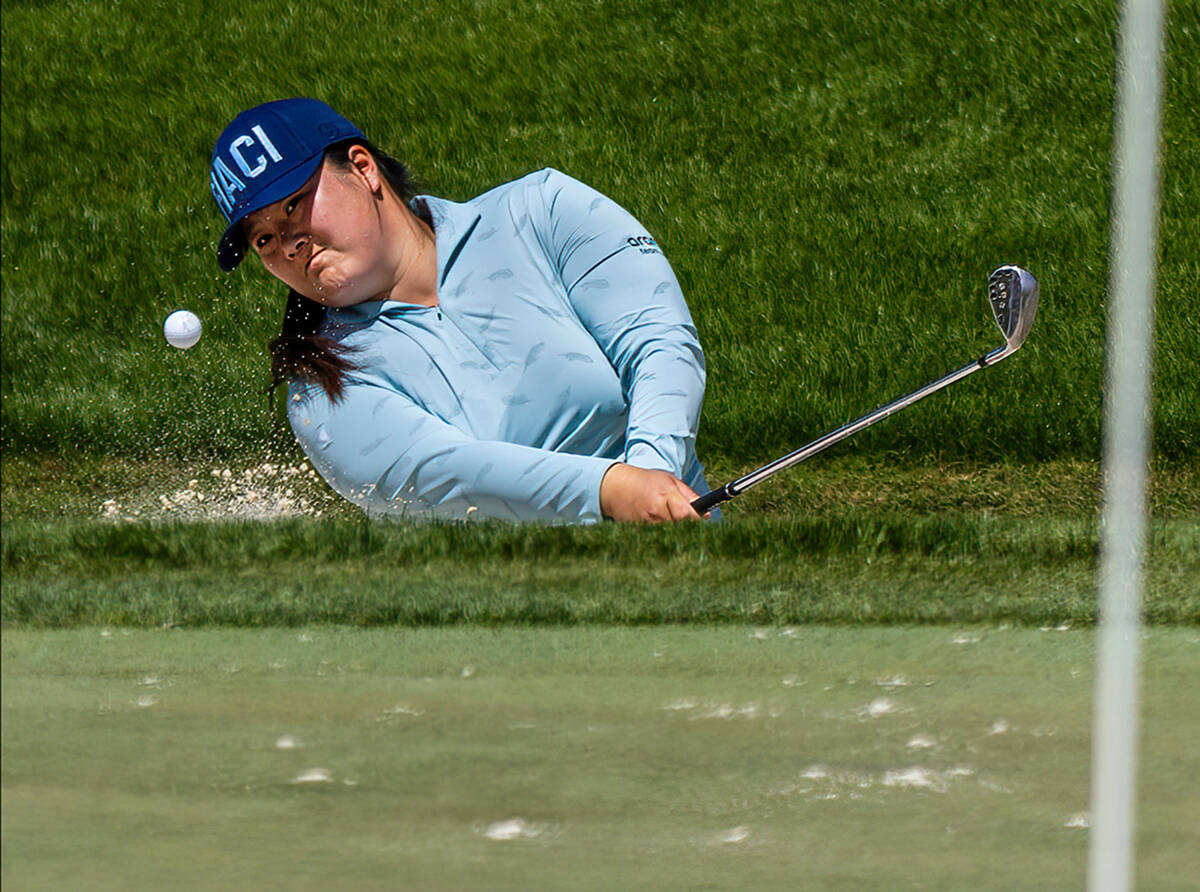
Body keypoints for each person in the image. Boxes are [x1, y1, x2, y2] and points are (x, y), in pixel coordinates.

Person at [210, 97, 718, 523]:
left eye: (294, 204)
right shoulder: (319, 388)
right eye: (263, 238)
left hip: (690, 560)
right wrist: (612, 492)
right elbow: (445, 474)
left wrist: (657, 476)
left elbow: (658, 342)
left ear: (362, 169)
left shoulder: (545, 208)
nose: (289, 244)